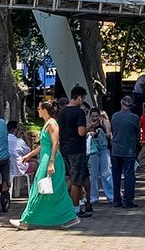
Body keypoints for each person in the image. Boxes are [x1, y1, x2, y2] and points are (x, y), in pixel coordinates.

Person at [12, 100, 79, 229]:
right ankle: (70, 217)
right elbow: (44, 144)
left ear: (45, 110)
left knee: (42, 188)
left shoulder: (52, 124)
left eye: (39, 108)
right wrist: (29, 155)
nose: (38, 110)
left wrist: (51, 162)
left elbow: (55, 144)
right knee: (51, 189)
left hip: (50, 158)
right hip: (46, 157)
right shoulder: (47, 123)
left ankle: (25, 220)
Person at [59, 86, 92, 216]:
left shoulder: (61, 112)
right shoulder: (79, 112)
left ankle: (65, 205)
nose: (82, 101)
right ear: (79, 97)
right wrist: (90, 127)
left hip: (64, 148)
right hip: (77, 150)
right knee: (77, 181)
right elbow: (81, 131)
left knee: (68, 178)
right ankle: (76, 209)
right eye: (82, 98)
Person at [109, 95, 140, 208]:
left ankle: (116, 199)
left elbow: (112, 130)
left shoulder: (115, 116)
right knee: (129, 176)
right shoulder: (135, 118)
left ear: (122, 104)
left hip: (116, 150)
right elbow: (137, 135)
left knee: (116, 176)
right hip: (129, 151)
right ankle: (128, 200)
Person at [85, 106, 114, 205]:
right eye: (93, 116)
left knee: (106, 172)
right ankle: (93, 196)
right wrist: (91, 133)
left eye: (96, 116)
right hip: (93, 148)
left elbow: (109, 135)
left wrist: (101, 133)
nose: (94, 118)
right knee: (93, 174)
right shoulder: (88, 124)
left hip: (103, 147)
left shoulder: (104, 122)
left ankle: (111, 195)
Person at [7, 120, 31, 200]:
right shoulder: (19, 141)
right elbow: (28, 152)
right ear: (15, 130)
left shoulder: (3, 140)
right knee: (36, 163)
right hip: (18, 166)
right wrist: (26, 138)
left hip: (6, 167)